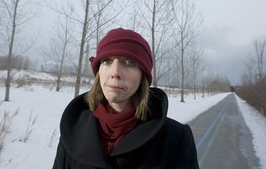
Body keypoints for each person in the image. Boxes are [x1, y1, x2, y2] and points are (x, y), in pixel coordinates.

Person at [52, 27, 200, 169]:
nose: (115, 72)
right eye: (107, 61)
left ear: (143, 76)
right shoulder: (74, 130)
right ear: (98, 72)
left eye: (129, 63)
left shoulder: (175, 138)